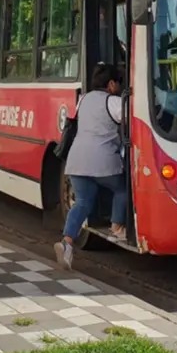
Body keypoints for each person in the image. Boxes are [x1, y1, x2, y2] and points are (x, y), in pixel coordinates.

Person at [54, 63, 128, 270]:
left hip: (77, 159)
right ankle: (117, 226)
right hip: (102, 161)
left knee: (83, 203)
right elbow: (131, 121)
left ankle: (67, 243)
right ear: (111, 83)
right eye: (119, 83)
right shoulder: (113, 102)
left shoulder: (83, 99)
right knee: (122, 189)